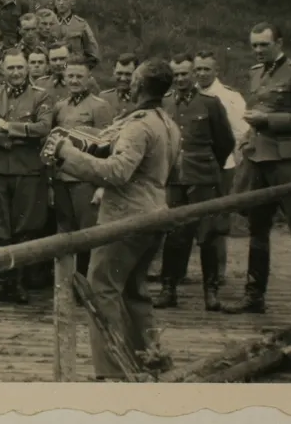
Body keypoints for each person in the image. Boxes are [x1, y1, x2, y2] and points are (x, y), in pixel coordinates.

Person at [47, 57, 182, 379]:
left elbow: (118, 173)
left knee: (102, 288)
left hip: (126, 219)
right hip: (156, 212)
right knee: (135, 290)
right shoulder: (167, 123)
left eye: (133, 79)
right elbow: (173, 170)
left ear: (138, 85)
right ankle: (150, 358)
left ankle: (112, 370)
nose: (129, 83)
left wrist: (69, 154)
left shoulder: (138, 126)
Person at [223, 22, 291, 315]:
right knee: (257, 229)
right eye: (254, 45)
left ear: (279, 42)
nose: (257, 50)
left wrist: (269, 122)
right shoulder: (255, 72)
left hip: (286, 162)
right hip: (257, 161)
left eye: (263, 45)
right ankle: (254, 297)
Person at [155, 54, 235, 311]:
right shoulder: (164, 104)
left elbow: (225, 143)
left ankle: (210, 292)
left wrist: (209, 166)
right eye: (176, 75)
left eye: (184, 74)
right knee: (175, 235)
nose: (180, 79)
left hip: (203, 178)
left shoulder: (210, 104)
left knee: (208, 236)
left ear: (194, 75)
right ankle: (169, 289)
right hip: (174, 179)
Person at [0, 51, 52, 303]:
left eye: (20, 67)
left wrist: (8, 126)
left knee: (24, 226)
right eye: (11, 68)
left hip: (28, 170)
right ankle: (2, 282)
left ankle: (17, 283)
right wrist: (13, 140)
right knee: (0, 226)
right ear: (3, 70)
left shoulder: (40, 94)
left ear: (28, 69)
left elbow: (44, 127)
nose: (16, 72)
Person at [48, 61, 115, 277]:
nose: (75, 81)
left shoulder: (100, 106)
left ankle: (86, 283)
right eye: (71, 76)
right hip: (61, 179)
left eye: (79, 76)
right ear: (65, 79)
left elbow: (108, 146)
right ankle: (66, 283)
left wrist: (101, 186)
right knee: (65, 232)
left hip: (85, 180)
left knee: (88, 233)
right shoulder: (60, 107)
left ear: (88, 79)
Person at [194, 50, 249, 285]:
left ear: (216, 71)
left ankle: (217, 273)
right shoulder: (186, 94)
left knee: (216, 219)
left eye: (207, 69)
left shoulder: (229, 97)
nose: (202, 73)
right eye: (198, 69)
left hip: (220, 166)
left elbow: (241, 134)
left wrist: (231, 164)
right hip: (192, 167)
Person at [100, 53, 139, 119]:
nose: (123, 78)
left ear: (136, 74)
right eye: (119, 73)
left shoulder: (141, 99)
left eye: (128, 74)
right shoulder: (104, 98)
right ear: (114, 71)